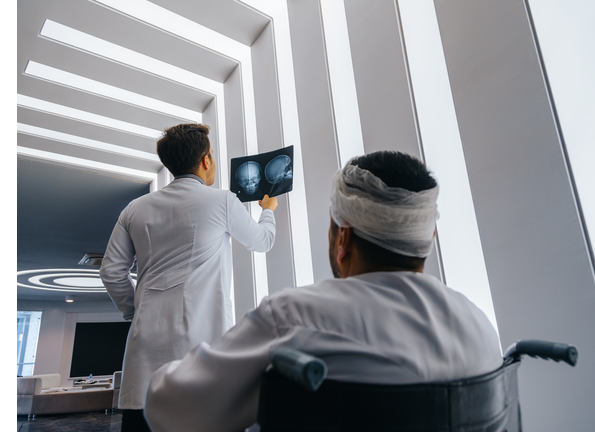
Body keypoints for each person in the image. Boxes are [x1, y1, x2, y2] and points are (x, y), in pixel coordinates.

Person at [143, 150, 502, 432]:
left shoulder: (294, 319)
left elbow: (171, 411)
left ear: (342, 237)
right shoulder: (480, 329)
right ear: (427, 237)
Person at [99, 123, 278, 432]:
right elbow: (262, 241)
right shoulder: (222, 200)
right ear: (206, 160)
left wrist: (134, 310)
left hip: (145, 351)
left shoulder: (134, 209)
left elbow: (112, 271)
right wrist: (269, 210)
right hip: (199, 348)